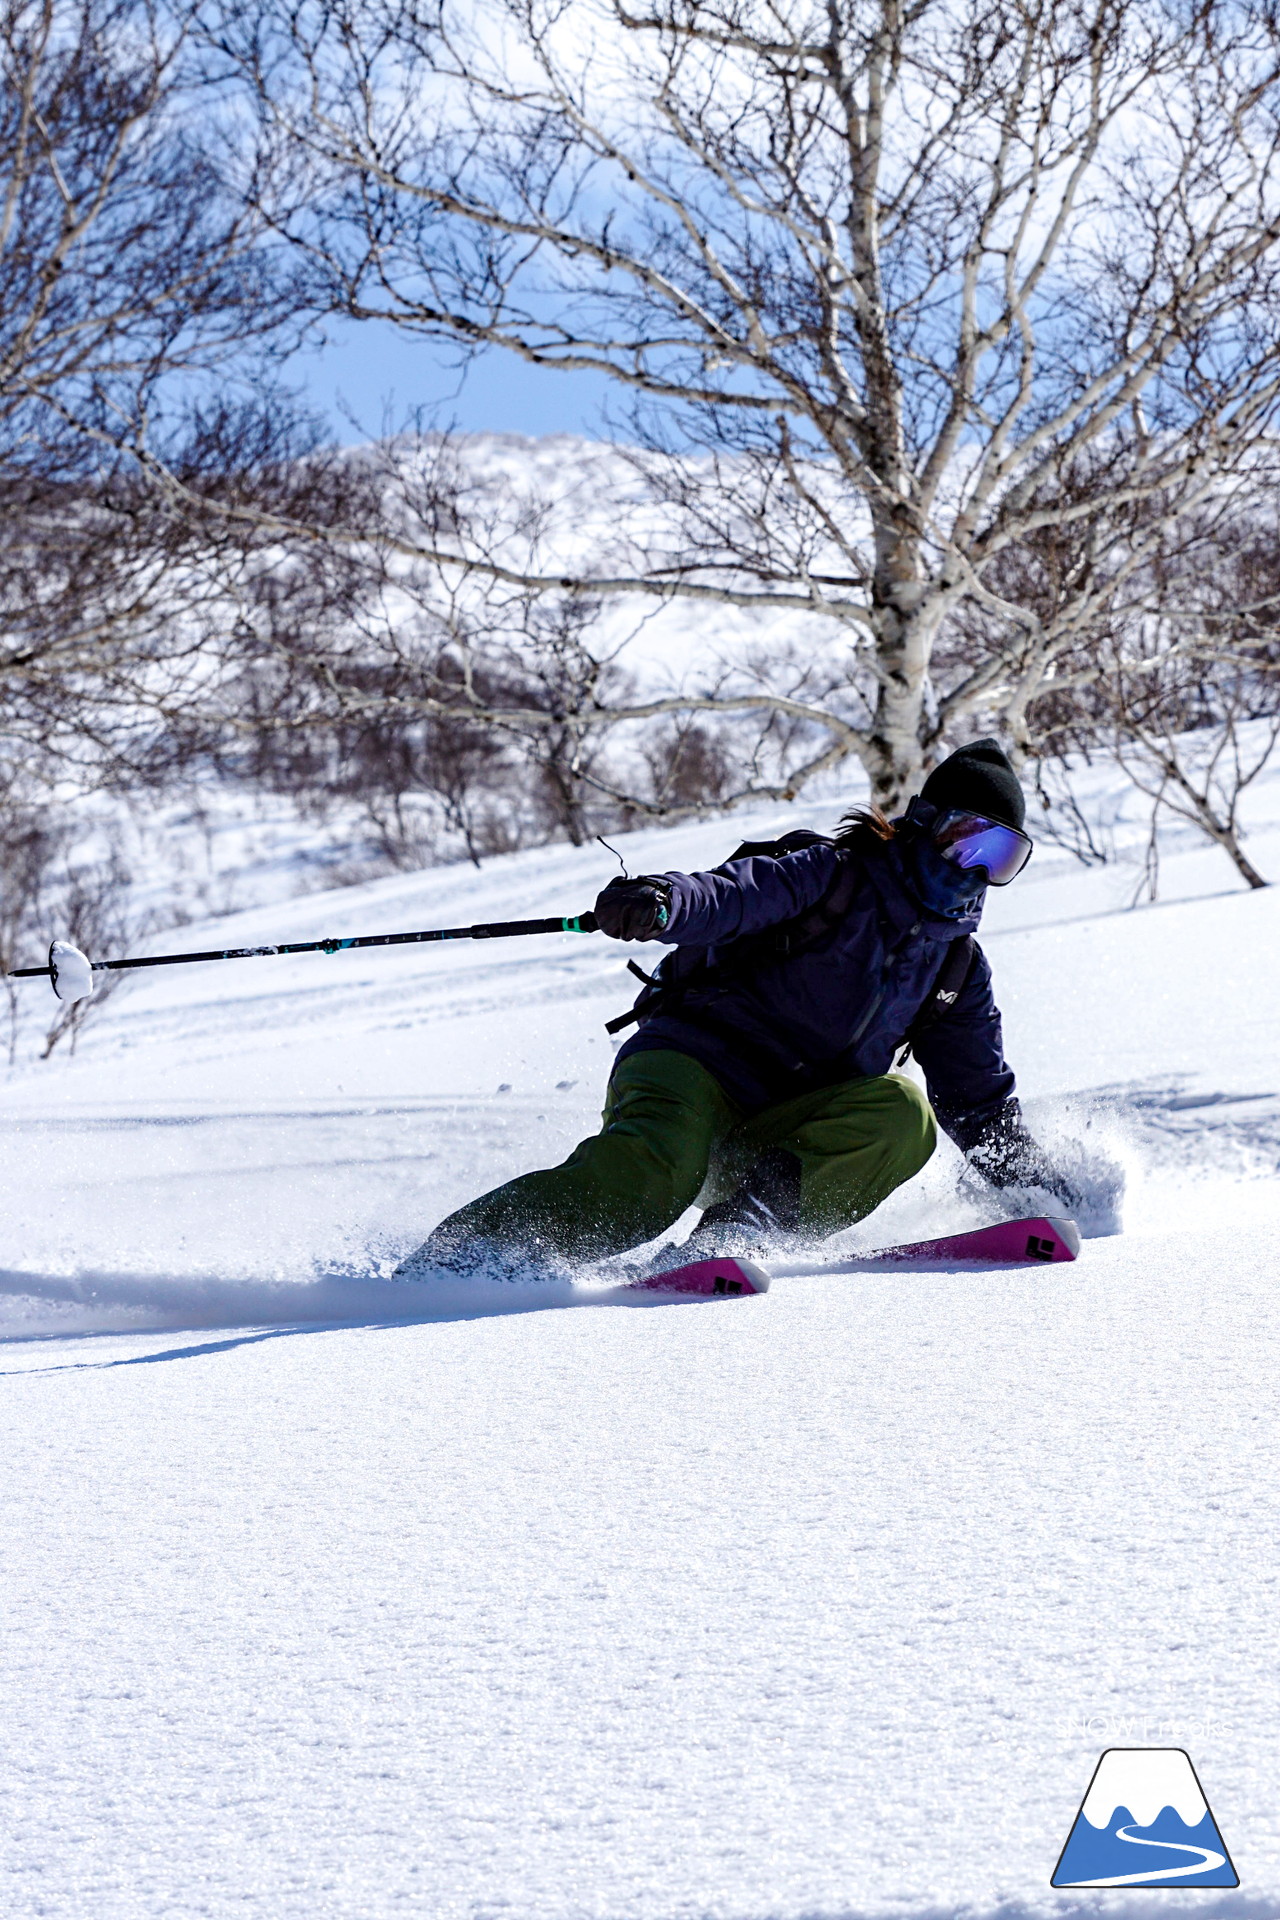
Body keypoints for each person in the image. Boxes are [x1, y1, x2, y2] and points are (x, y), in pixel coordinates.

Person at [401, 739, 1079, 1278]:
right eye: (968, 839)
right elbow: (729, 896)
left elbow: (979, 1105)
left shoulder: (956, 968)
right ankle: (459, 1259)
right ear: (925, 824)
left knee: (905, 1113)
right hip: (691, 1068)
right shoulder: (831, 873)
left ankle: (739, 1231)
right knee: (648, 1184)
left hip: (779, 1136)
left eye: (1003, 855)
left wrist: (1042, 1196)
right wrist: (663, 901)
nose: (976, 868)